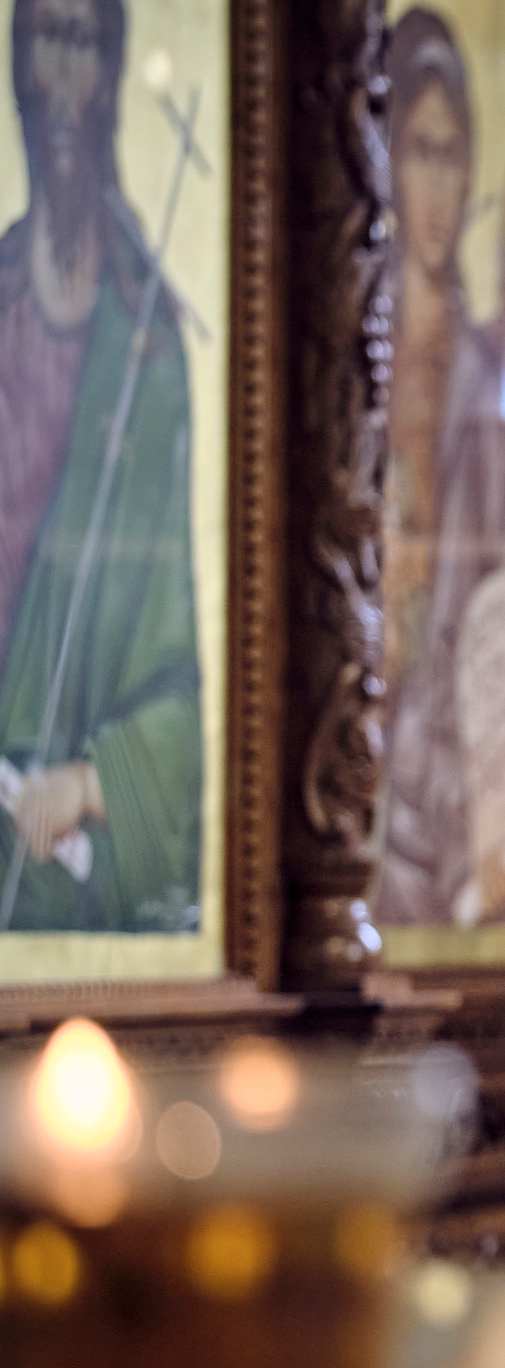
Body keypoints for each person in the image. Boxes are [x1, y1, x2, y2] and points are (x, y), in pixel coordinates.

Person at [0, 0, 202, 933]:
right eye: (46, 38)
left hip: (65, 846)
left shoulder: (147, 351)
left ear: (113, 72)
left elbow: (187, 677)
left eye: (85, 42)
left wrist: (89, 778)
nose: (64, 81)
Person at [376, 5, 505, 929]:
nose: (437, 187)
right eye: (419, 151)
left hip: (458, 803)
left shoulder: (491, 381)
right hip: (355, 782)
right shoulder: (348, 363)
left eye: (453, 156)